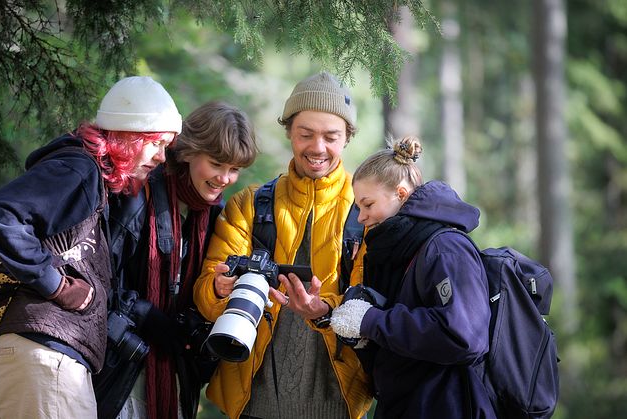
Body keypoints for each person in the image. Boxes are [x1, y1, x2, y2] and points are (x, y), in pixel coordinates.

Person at [0, 76, 182, 419]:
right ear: (130, 136)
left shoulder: (89, 178)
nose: (162, 157)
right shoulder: (78, 169)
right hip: (44, 357)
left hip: (50, 360)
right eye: (157, 143)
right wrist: (56, 285)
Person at [193, 72, 373, 419]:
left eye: (331, 137)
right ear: (289, 131)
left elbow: (370, 300)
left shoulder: (364, 211)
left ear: (347, 138)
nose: (317, 148)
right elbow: (204, 293)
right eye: (305, 134)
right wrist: (218, 288)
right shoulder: (250, 204)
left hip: (337, 401)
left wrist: (326, 311)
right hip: (251, 400)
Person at [102, 101, 258, 419]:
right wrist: (146, 315)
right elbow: (100, 276)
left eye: (235, 169)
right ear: (187, 151)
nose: (226, 178)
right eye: (217, 164)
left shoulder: (215, 214)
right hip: (119, 364)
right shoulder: (138, 192)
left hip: (172, 374)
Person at [330, 136, 497, 418]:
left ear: (402, 194)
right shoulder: (392, 251)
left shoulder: (446, 248)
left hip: (448, 407)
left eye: (368, 205)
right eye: (358, 207)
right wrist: (362, 335)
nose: (361, 217)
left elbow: (465, 337)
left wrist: (371, 320)